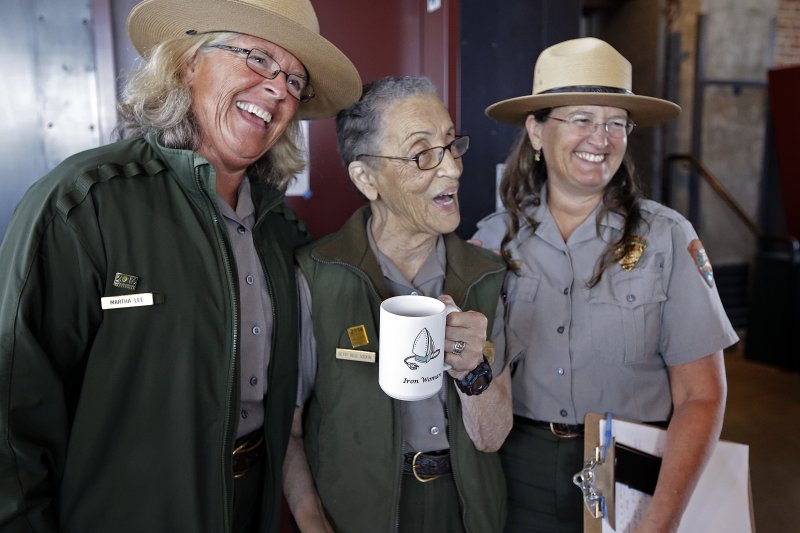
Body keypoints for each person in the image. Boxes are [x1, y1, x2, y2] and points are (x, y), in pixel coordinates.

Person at [0, 0, 361, 531]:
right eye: (258, 59)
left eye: (294, 80)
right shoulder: (82, 205)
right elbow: (12, 420)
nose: (280, 90)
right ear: (187, 62)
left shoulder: (281, 230)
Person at [472, 37, 738, 533]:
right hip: (516, 470)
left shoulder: (666, 239)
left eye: (616, 123)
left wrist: (660, 519)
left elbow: (702, 396)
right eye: (581, 119)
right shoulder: (491, 242)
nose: (601, 138)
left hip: (631, 464)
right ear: (535, 130)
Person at [282, 76, 513, 532]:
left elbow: (493, 438)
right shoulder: (316, 275)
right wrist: (314, 525)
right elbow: (289, 433)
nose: (452, 170)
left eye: (451, 145)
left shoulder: (487, 276)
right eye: (422, 153)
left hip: (465, 513)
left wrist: (473, 373)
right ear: (367, 178)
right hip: (359, 516)